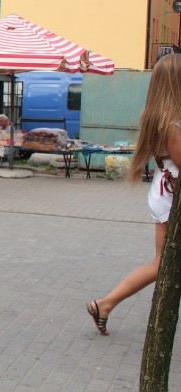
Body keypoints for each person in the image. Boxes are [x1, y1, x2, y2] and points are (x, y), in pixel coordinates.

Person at [87, 53, 181, 336]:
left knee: (161, 262)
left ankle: (105, 304)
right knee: (162, 263)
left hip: (165, 192)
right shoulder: (171, 124)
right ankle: (106, 303)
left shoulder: (161, 117)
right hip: (171, 196)